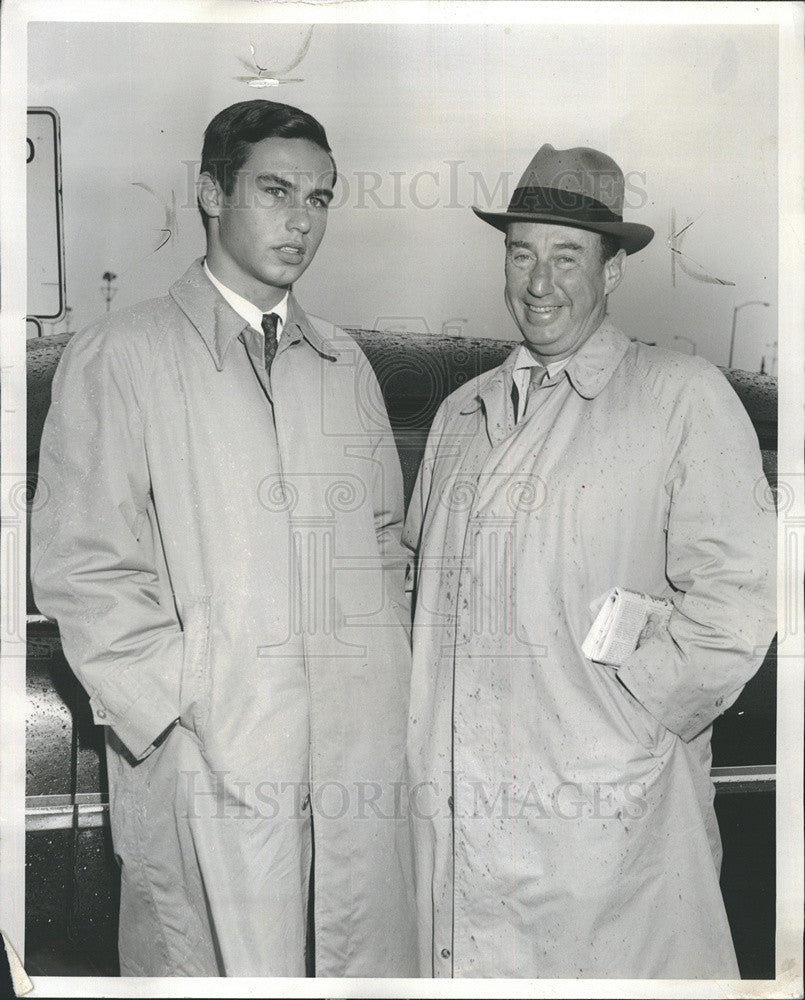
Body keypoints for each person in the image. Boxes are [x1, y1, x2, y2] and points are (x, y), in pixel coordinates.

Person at [31, 100, 417, 978]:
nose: (300, 221)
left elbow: (383, 542)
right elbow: (83, 565)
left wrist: (378, 688)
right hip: (207, 759)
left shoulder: (342, 361)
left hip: (356, 761)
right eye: (276, 191)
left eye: (320, 199)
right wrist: (187, 701)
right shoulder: (121, 356)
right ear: (209, 191)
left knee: (360, 961)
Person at [403, 143, 777, 978]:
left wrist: (625, 717)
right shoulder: (463, 414)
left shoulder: (679, 396)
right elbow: (418, 586)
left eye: (567, 256)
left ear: (611, 271)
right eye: (521, 252)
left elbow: (740, 602)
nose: (539, 283)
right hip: (464, 823)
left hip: (615, 829)